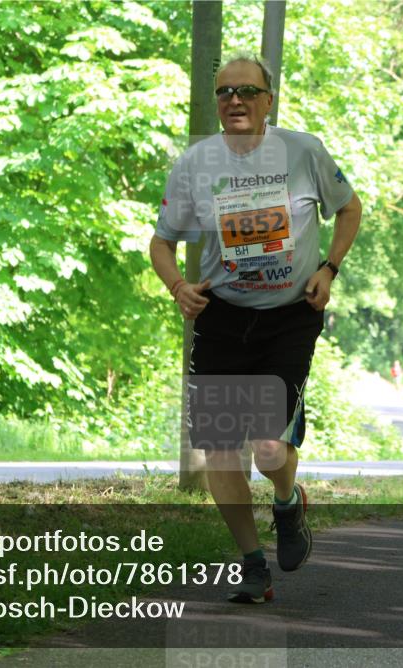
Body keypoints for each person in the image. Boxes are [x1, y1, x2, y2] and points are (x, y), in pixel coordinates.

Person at [149, 53, 362, 603]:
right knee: (221, 450)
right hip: (223, 316)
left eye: (246, 91)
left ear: (269, 100)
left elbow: (349, 208)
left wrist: (329, 268)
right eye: (224, 92)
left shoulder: (303, 151)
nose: (235, 100)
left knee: (268, 448)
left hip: (289, 316)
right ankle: (251, 563)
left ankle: (287, 503)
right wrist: (178, 287)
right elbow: (161, 243)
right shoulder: (196, 163)